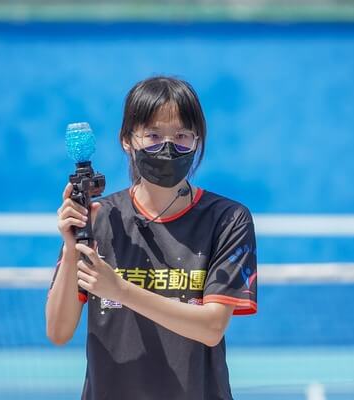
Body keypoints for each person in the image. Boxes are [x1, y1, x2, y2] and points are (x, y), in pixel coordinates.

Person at [45, 76, 257, 400]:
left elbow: (211, 328)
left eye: (182, 136)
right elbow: (58, 331)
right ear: (127, 140)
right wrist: (72, 244)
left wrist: (119, 290)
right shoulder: (99, 218)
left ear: (197, 141)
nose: (168, 148)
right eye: (153, 136)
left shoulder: (227, 219)